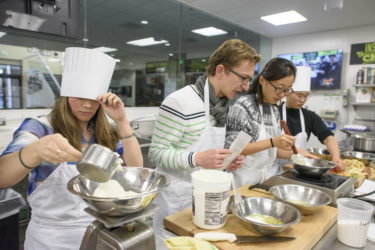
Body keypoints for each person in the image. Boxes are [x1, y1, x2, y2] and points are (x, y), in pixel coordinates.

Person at [0, 47, 143, 249]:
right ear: (65, 95)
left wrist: (122, 121)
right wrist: (35, 151)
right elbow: (2, 176)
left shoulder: (103, 133)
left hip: (99, 233)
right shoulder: (40, 127)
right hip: (50, 239)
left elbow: (135, 169)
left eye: (93, 99)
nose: (87, 105)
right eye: (79, 96)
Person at [148, 39, 260, 248]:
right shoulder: (180, 102)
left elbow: (207, 154)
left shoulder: (222, 105)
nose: (245, 87)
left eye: (248, 80)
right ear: (221, 70)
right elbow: (157, 153)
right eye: (243, 78)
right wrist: (198, 158)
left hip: (209, 202)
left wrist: (226, 162)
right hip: (177, 203)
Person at [226, 58, 317, 187]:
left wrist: (296, 155)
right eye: (279, 88)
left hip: (264, 180)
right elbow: (232, 149)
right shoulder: (243, 106)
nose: (282, 95)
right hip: (241, 181)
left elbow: (267, 152)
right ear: (262, 80)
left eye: (287, 90)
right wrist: (273, 142)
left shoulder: (274, 110)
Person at [281, 66, 344, 170]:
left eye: (306, 96)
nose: (303, 100)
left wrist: (336, 158)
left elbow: (328, 138)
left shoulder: (309, 116)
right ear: (287, 93)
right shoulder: (275, 112)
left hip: (300, 169)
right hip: (276, 168)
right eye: (299, 95)